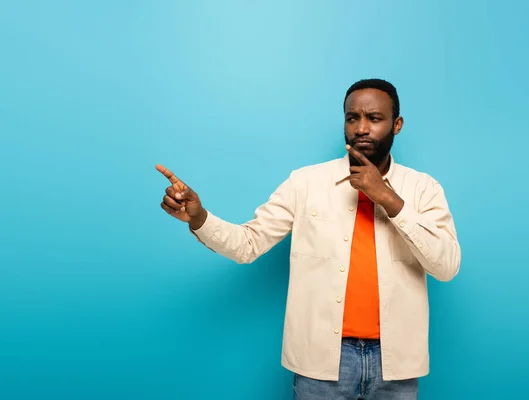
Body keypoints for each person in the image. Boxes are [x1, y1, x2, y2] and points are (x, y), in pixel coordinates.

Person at [156, 78, 461, 399]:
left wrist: (388, 198)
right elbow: (248, 244)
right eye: (352, 117)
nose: (361, 128)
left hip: (396, 360)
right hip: (323, 360)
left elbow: (447, 266)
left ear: (396, 125)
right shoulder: (306, 183)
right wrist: (199, 217)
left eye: (374, 118)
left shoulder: (424, 189)